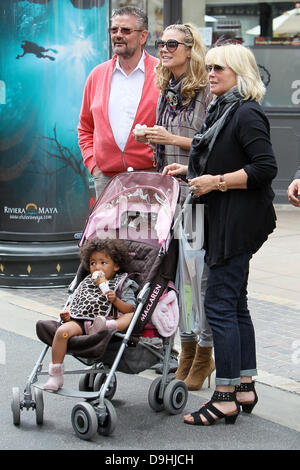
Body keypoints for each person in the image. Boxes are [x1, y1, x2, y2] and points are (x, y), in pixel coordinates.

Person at [163, 43, 277, 425]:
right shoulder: (222, 109)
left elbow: (265, 168)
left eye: (220, 69)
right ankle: (244, 385)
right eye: (209, 67)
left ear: (239, 74)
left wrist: (218, 183)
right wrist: (192, 175)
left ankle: (225, 396)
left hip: (236, 222)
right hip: (223, 218)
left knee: (219, 307)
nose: (210, 73)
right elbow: (220, 157)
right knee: (236, 304)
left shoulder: (246, 113)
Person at [133, 23, 214, 390]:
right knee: (177, 277)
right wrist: (151, 135)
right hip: (170, 196)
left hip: (198, 195)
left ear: (189, 48)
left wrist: (170, 137)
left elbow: (214, 143)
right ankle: (185, 350)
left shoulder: (207, 90)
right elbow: (170, 141)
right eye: (161, 43)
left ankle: (205, 352)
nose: (163, 49)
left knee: (197, 277)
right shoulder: (167, 89)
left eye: (171, 43)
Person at [78, 6, 160, 199]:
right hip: (107, 180)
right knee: (109, 231)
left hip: (152, 178)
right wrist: (94, 166)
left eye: (126, 30)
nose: (118, 35)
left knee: (150, 230)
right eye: (114, 30)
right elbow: (85, 128)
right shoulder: (97, 75)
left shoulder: (162, 73)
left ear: (143, 36)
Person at [43, 238, 139, 391]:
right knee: (62, 333)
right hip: (82, 322)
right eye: (93, 263)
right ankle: (55, 376)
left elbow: (129, 308)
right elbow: (75, 302)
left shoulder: (123, 283)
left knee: (131, 315)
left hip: (109, 320)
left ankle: (106, 326)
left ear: (116, 266)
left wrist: (115, 300)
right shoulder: (86, 282)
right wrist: (68, 315)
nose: (97, 267)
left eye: (103, 263)